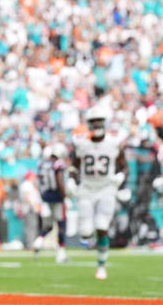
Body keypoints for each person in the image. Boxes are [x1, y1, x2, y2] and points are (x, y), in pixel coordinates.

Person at [68, 105, 128, 280]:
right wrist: (72, 179)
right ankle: (91, 240)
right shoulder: (81, 143)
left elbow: (124, 166)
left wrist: (120, 177)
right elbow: (74, 166)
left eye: (98, 121)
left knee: (102, 226)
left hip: (106, 188)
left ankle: (101, 266)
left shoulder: (113, 143)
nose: (96, 125)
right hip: (86, 189)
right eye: (93, 122)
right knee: (86, 231)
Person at [34, 143, 69, 263]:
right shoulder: (58, 164)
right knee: (61, 224)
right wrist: (64, 196)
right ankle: (61, 253)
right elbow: (59, 181)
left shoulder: (42, 163)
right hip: (57, 197)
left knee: (48, 224)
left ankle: (38, 241)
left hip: (45, 197)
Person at [18, 171, 41, 250]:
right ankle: (30, 244)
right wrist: (34, 205)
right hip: (29, 208)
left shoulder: (29, 185)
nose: (35, 178)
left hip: (30, 208)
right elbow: (26, 196)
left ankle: (31, 243)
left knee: (32, 226)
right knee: (30, 227)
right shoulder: (27, 184)